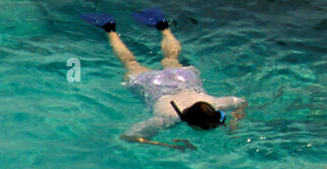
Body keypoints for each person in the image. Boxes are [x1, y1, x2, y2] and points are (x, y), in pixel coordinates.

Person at [81, 8, 246, 150]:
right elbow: (127, 137)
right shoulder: (167, 119)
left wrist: (234, 121)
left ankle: (163, 26)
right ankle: (109, 28)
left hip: (182, 79)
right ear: (194, 126)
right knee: (130, 63)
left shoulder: (213, 103)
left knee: (170, 58)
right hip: (154, 85)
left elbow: (240, 102)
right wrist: (171, 146)